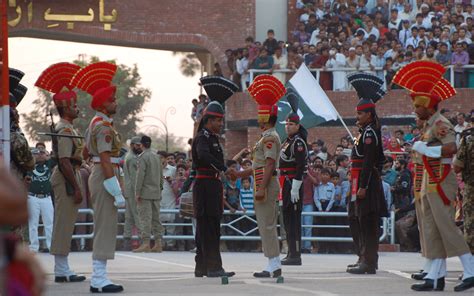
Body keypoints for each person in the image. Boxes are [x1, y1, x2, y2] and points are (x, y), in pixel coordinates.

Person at [393, 61, 474, 292]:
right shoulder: (430, 125)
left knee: (446, 226)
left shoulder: (441, 123)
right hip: (430, 179)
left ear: (428, 106)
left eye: (418, 106)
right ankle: (435, 276)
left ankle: (471, 270)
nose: (415, 109)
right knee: (432, 228)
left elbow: (451, 149)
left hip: (441, 180)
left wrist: (425, 149)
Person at [35, 62, 87, 283]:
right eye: (74, 106)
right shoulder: (64, 129)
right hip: (66, 175)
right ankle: (61, 270)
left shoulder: (69, 127)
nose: (77, 108)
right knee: (64, 223)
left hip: (70, 173)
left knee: (67, 222)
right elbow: (64, 161)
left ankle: (63, 269)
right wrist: (75, 187)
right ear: (66, 108)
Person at [75, 62, 124, 293]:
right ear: (103, 104)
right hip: (105, 174)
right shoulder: (103, 125)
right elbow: (104, 157)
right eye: (112, 100)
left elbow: (86, 152)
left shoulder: (95, 123)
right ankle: (98, 278)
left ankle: (99, 276)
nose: (116, 102)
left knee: (104, 223)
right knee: (105, 226)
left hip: (100, 173)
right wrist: (114, 185)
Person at [231, 74, 285, 278]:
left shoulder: (270, 137)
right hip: (263, 181)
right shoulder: (265, 137)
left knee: (267, 224)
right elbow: (259, 165)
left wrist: (261, 186)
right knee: (265, 223)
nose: (258, 120)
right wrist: (240, 174)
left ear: (265, 118)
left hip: (266, 183)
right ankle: (272, 262)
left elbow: (270, 164)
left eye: (260, 116)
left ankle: (274, 263)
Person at [192, 75, 238, 278]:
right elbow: (203, 156)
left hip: (210, 185)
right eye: (217, 120)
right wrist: (223, 168)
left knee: (206, 228)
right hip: (206, 185)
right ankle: (214, 267)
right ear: (208, 120)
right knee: (209, 228)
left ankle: (201, 267)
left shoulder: (212, 138)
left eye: (221, 120)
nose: (220, 123)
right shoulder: (203, 137)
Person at [346, 72, 388, 275]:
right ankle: (362, 256)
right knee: (356, 219)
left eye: (361, 114)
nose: (358, 116)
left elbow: (370, 161)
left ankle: (369, 262)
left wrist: (362, 186)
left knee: (367, 221)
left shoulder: (370, 133)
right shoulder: (364, 132)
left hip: (366, 182)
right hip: (357, 180)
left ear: (369, 115)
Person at [278, 91, 308, 266]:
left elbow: (301, 166)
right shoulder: (288, 141)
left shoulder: (298, 143)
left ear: (298, 126)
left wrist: (296, 186)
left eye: (291, 124)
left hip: (292, 184)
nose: (288, 126)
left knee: (294, 220)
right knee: (287, 219)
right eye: (287, 123)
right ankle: (291, 251)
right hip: (286, 184)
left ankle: (296, 254)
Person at [133, 135, 163, 253]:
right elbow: (161, 176)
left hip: (145, 193)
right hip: (156, 192)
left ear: (142, 145)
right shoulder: (156, 157)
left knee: (145, 218)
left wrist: (137, 192)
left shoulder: (143, 157)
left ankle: (146, 243)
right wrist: (160, 189)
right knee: (156, 218)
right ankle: (158, 243)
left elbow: (140, 176)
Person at [27, 147, 54, 254]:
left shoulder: (48, 164)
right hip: (33, 197)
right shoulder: (29, 166)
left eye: (42, 153)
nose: (40, 154)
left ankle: (51, 246)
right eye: (38, 153)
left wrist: (48, 156)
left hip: (46, 197)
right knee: (33, 224)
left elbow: (56, 158)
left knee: (49, 223)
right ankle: (34, 247)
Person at [454, 126, 474, 254]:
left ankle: (471, 267)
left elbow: (457, 167)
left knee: (470, 226)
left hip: (471, 188)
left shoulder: (468, 140)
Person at [122, 136, 142, 251]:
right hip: (133, 191)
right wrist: (138, 192)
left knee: (129, 217)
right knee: (138, 216)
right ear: (132, 145)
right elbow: (135, 178)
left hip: (129, 191)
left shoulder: (128, 156)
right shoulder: (133, 158)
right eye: (137, 145)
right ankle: (142, 241)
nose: (140, 147)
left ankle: (126, 241)